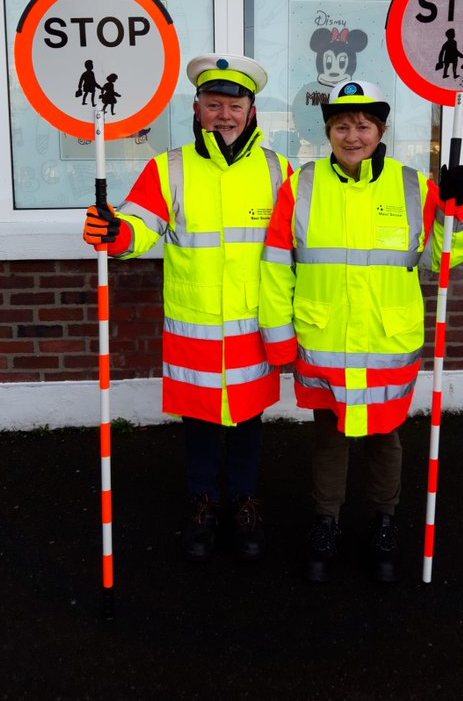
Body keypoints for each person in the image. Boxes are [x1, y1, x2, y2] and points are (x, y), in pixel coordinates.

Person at [258, 78, 463, 583]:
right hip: (324, 339)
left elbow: (446, 256)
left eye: (363, 125)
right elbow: (275, 265)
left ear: (380, 129)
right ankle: (326, 522)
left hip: (386, 343)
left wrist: (457, 208)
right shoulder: (302, 184)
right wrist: (278, 336)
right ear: (328, 131)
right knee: (329, 436)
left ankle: (384, 522)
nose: (352, 135)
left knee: (385, 437)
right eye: (341, 125)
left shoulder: (412, 185)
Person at [83, 54, 292, 563]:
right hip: (194, 328)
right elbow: (140, 226)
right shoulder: (168, 168)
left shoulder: (279, 169)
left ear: (252, 110)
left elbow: (301, 245)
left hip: (253, 329)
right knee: (199, 423)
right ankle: (203, 502)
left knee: (248, 423)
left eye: (234, 104)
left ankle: (244, 503)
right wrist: (117, 234)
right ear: (197, 109)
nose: (224, 114)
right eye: (213, 104)